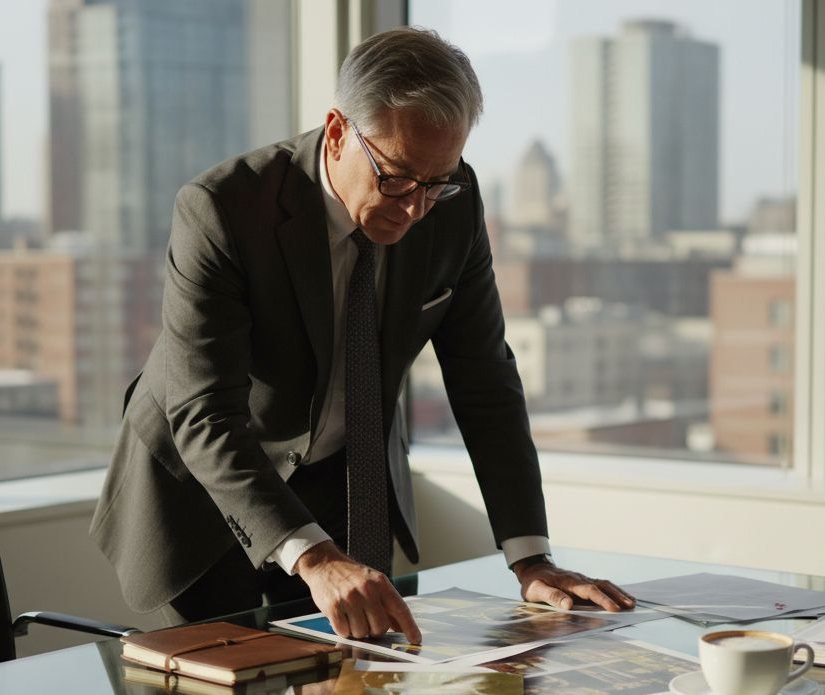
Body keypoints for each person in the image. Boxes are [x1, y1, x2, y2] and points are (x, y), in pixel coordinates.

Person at [91, 26, 634, 642]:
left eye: (438, 181)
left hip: (342, 486)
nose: (416, 207)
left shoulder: (453, 202)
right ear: (338, 130)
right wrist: (314, 557)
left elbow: (484, 376)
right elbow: (204, 412)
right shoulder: (222, 208)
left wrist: (531, 559)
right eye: (397, 178)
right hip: (209, 492)